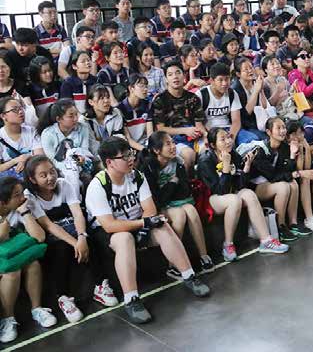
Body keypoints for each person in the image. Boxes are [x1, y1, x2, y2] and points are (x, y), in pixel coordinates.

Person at [85, 137, 210, 324]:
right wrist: (143, 224)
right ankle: (131, 299)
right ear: (109, 162)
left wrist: (146, 225)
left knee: (162, 226)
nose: (131, 159)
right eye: (125, 156)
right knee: (125, 239)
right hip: (109, 233)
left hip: (136, 222)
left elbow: (149, 209)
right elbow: (109, 225)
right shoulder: (98, 186)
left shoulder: (136, 176)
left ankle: (189, 275)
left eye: (131, 154)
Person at [23, 156, 118, 323]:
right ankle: (63, 297)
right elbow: (48, 225)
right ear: (33, 179)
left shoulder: (63, 184)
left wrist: (81, 237)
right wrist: (76, 243)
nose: (50, 177)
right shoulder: (29, 196)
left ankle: (100, 286)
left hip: (72, 228)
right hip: (53, 235)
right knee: (60, 248)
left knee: (91, 239)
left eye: (52, 171)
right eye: (43, 175)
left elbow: (77, 213)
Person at [197, 128, 290, 254]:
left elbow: (240, 185)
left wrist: (246, 167)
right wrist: (226, 167)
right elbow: (220, 190)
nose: (228, 141)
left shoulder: (233, 154)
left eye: (228, 137)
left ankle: (266, 240)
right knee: (234, 200)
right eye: (223, 139)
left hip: (230, 192)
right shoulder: (205, 160)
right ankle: (228, 244)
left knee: (249, 194)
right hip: (211, 199)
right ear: (213, 145)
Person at [140, 132, 214, 275]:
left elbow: (184, 191)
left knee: (191, 210)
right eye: (168, 144)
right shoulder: (148, 168)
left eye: (173, 142)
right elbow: (157, 199)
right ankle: (173, 265)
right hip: (158, 207)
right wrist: (173, 182)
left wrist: (170, 187)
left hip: (177, 201)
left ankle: (204, 256)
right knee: (180, 214)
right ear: (156, 150)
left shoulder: (178, 162)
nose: (173, 146)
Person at [0, 175, 56, 343]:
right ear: (3, 202)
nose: (22, 197)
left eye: (21, 192)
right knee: (12, 272)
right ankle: (8, 319)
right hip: (5, 260)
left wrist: (24, 212)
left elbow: (39, 237)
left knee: (32, 263)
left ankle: (36, 309)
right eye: (16, 195)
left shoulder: (21, 207)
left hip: (13, 254)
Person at [152, 60, 207, 172]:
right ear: (166, 79)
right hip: (172, 140)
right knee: (189, 155)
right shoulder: (160, 100)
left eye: (178, 73)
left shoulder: (193, 98)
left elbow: (199, 124)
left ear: (184, 75)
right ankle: (186, 182)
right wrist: (185, 131)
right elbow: (160, 129)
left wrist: (207, 136)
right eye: (170, 74)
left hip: (194, 136)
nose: (175, 77)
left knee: (208, 152)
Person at [196, 63, 242, 142]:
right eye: (220, 80)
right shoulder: (201, 95)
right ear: (212, 81)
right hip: (209, 131)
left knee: (250, 138)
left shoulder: (232, 93)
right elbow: (198, 123)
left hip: (228, 129)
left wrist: (231, 138)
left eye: (227, 79)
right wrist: (207, 136)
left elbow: (236, 121)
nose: (224, 83)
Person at [0, 97, 44, 178]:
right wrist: (16, 160)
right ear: (3, 116)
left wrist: (27, 157)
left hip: (32, 174)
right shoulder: (1, 136)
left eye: (21, 108)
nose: (20, 112)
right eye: (15, 110)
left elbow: (40, 156)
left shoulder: (32, 131)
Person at [83, 84, 125, 156]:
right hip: (94, 157)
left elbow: (119, 138)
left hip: (115, 155)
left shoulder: (116, 113)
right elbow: (93, 148)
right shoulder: (85, 121)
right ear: (90, 102)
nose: (106, 101)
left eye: (108, 97)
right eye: (101, 98)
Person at [120, 74, 153, 152]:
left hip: (145, 144)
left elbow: (150, 134)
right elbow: (128, 139)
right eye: (141, 86)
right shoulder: (120, 109)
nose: (145, 89)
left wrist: (150, 148)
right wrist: (145, 150)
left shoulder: (148, 105)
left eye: (146, 86)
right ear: (131, 88)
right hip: (129, 148)